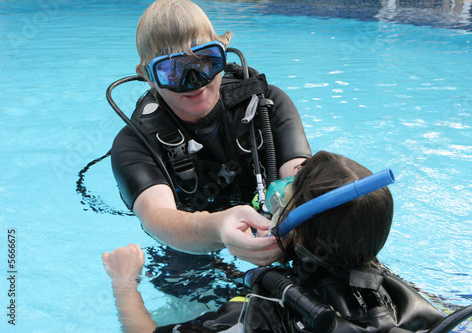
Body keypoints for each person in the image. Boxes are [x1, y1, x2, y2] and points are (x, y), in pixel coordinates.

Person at [102, 151, 447, 333]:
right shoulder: (398, 294)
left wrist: (124, 282)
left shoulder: (259, 314)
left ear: (294, 225)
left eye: (289, 192)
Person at [110, 0, 311, 267]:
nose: (195, 82)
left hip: (275, 228)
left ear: (223, 55)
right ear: (147, 74)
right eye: (173, 70)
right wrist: (217, 228)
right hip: (189, 245)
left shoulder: (267, 103)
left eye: (206, 61)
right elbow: (158, 218)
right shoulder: (134, 143)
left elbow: (300, 176)